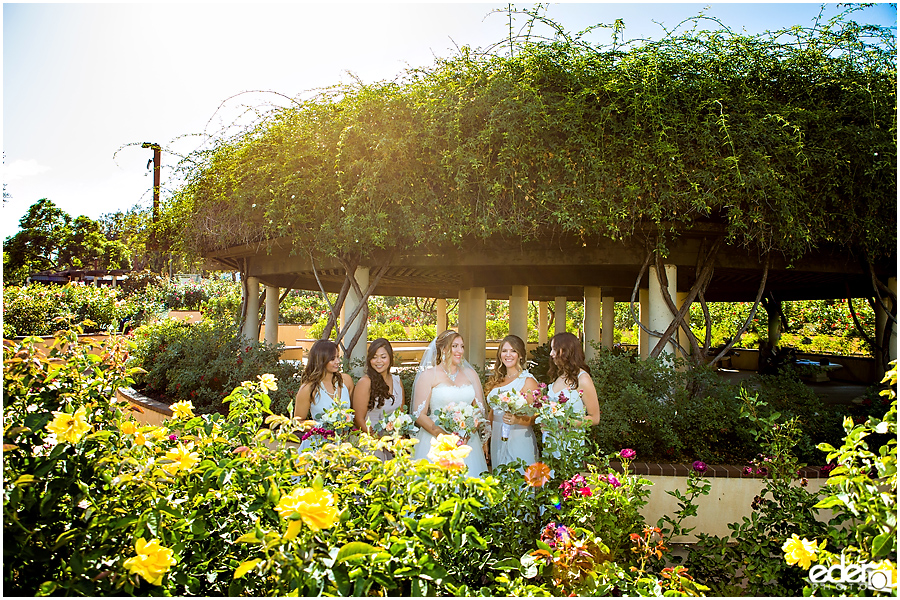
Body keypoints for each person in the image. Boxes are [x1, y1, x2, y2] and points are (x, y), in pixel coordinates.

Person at [411, 330, 490, 476]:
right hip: (436, 440)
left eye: (462, 346)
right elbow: (419, 414)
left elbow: (479, 410)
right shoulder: (428, 375)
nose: (460, 351)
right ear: (443, 349)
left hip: (467, 441)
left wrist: (468, 433)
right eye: (455, 346)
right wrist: (445, 437)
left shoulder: (470, 374)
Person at [541, 332, 601, 464]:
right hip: (550, 443)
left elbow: (594, 418)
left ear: (567, 351)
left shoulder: (583, 379)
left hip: (570, 445)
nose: (551, 354)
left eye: (554, 349)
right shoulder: (559, 376)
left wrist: (566, 423)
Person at [485, 334, 539, 471]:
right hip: (497, 439)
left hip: (519, 437)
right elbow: (492, 414)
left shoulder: (528, 381)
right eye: (504, 351)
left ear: (520, 355)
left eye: (513, 351)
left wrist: (517, 419)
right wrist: (485, 440)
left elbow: (536, 416)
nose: (508, 355)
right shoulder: (497, 381)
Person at [293, 339, 355, 450]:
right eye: (332, 359)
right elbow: (298, 422)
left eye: (337, 357)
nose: (337, 361)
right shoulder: (308, 388)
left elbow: (353, 411)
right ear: (321, 360)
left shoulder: (346, 381)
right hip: (317, 447)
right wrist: (322, 427)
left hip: (343, 445)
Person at [351, 338, 404, 460]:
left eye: (383, 357)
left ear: (390, 358)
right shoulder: (365, 382)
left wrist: (397, 439)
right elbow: (358, 419)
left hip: (393, 440)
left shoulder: (397, 381)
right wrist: (380, 441)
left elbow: (401, 415)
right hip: (370, 440)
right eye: (374, 357)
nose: (378, 361)